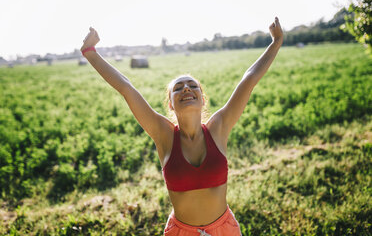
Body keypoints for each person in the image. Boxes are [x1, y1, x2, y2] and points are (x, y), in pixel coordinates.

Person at [80, 17, 283, 236]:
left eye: (192, 85)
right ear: (170, 103)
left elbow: (249, 79)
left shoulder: (218, 128)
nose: (186, 88)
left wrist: (276, 42)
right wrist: (90, 52)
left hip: (224, 230)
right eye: (178, 88)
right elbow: (126, 88)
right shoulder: (164, 134)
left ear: (202, 98)